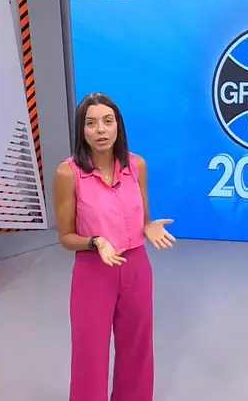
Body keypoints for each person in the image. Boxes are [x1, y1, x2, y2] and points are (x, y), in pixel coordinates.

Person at [53, 92, 176, 401]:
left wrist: (148, 227)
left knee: (137, 347)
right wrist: (96, 242)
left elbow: (143, 218)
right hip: (94, 270)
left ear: (118, 125)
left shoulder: (137, 166)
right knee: (90, 353)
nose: (101, 130)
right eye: (91, 123)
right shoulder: (68, 173)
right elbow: (66, 236)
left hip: (136, 268)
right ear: (81, 129)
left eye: (108, 121)